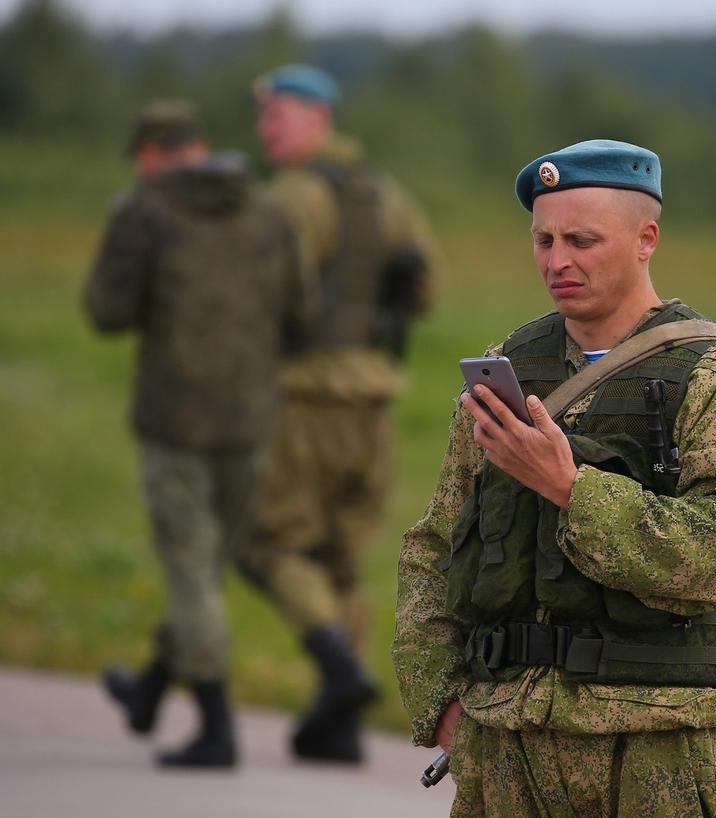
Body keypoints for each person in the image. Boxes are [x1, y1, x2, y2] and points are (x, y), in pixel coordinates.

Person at [392, 139, 716, 816]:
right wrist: (441, 697)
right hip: (509, 747)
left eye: (582, 239)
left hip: (658, 747)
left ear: (645, 239)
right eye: (542, 240)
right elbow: (437, 542)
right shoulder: (508, 365)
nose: (557, 261)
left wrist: (573, 489)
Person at [84, 100, 314, 768]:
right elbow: (303, 312)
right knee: (205, 569)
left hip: (173, 418)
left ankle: (216, 727)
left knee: (190, 571)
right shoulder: (269, 209)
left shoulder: (143, 211)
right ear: (200, 145)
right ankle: (152, 688)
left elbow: (106, 312)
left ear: (153, 153)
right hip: (250, 417)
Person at [241, 64, 439, 763]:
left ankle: (339, 673)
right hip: (374, 394)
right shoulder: (385, 196)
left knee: (271, 545)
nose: (267, 128)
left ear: (318, 119)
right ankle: (341, 728)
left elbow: (260, 296)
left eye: (280, 114)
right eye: (264, 115)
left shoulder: (288, 198)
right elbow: (424, 288)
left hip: (303, 395)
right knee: (343, 560)